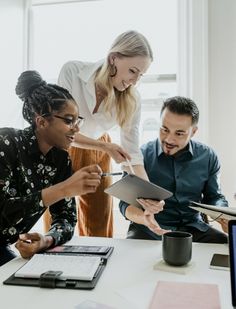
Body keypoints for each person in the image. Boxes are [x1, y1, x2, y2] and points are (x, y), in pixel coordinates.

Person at [43, 30, 154, 237]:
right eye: (132, 71)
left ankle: (98, 265)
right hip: (60, 148)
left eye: (140, 75)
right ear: (113, 59)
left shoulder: (132, 99)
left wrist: (148, 194)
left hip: (98, 149)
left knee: (98, 221)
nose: (135, 81)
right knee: (56, 217)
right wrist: (106, 147)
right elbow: (61, 130)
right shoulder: (72, 72)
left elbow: (132, 153)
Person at [0, 70, 102, 266]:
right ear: (42, 121)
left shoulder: (61, 159)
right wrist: (62, 189)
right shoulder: (6, 143)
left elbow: (66, 217)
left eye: (77, 120)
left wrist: (45, 241)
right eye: (68, 120)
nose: (76, 128)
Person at [119, 96, 229, 243]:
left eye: (179, 133)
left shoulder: (208, 156)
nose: (169, 139)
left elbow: (214, 197)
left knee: (225, 244)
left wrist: (224, 216)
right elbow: (124, 204)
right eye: (164, 129)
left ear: (193, 131)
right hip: (150, 229)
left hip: (194, 228)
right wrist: (144, 219)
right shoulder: (141, 155)